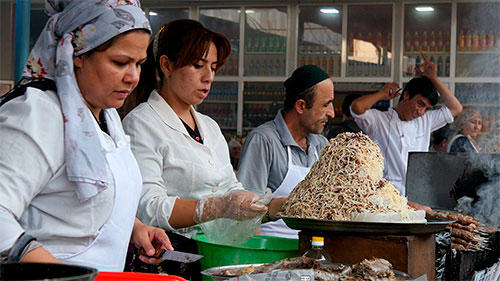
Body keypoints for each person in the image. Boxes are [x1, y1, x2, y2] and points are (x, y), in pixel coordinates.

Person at [0, 0, 172, 272]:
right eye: (120, 62)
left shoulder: (105, 113)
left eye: (139, 64)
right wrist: (51, 270)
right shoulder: (37, 114)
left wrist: (133, 228)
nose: (133, 77)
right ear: (77, 53)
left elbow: (82, 207)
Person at [122, 19, 281, 278]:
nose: (208, 77)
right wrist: (215, 207)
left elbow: (231, 190)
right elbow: (147, 206)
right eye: (198, 66)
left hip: (214, 256)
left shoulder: (210, 127)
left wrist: (271, 206)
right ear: (167, 65)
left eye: (213, 68)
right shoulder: (142, 123)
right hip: (165, 260)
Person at [351, 53, 463, 208]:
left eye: (426, 108)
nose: (421, 112)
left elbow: (456, 107)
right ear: (406, 95)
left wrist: (433, 79)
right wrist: (382, 94)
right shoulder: (380, 120)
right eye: (419, 104)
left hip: (418, 197)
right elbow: (357, 108)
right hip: (386, 199)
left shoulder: (426, 121)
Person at [237, 65, 335, 239]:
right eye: (326, 104)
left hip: (312, 249)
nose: (332, 113)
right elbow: (246, 213)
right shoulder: (263, 140)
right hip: (272, 251)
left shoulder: (321, 144)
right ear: (301, 106)